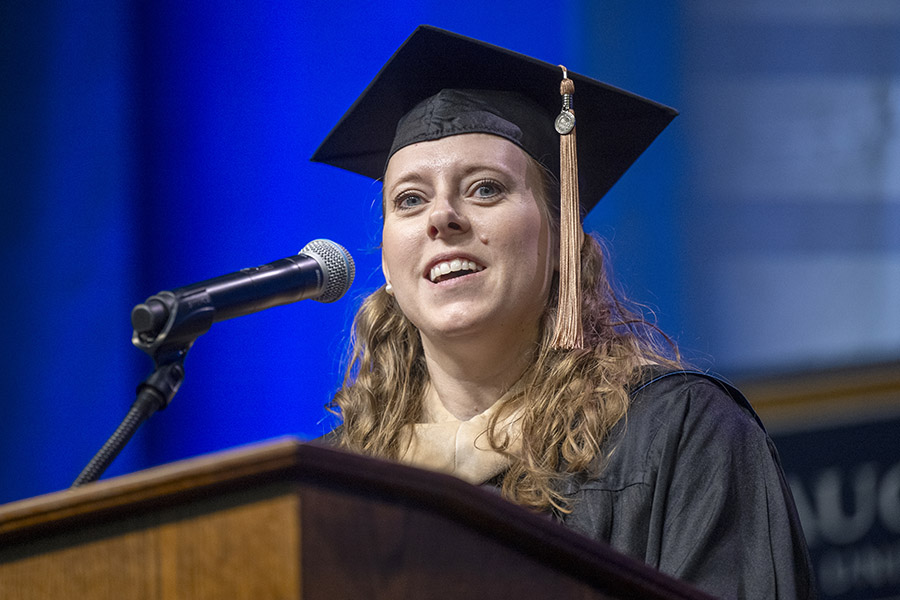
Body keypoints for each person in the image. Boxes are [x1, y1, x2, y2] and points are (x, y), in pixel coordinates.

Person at [312, 25, 815, 598]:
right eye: (410, 199)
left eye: (484, 189)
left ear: (562, 242)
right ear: (386, 261)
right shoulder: (338, 482)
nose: (441, 218)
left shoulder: (678, 436)